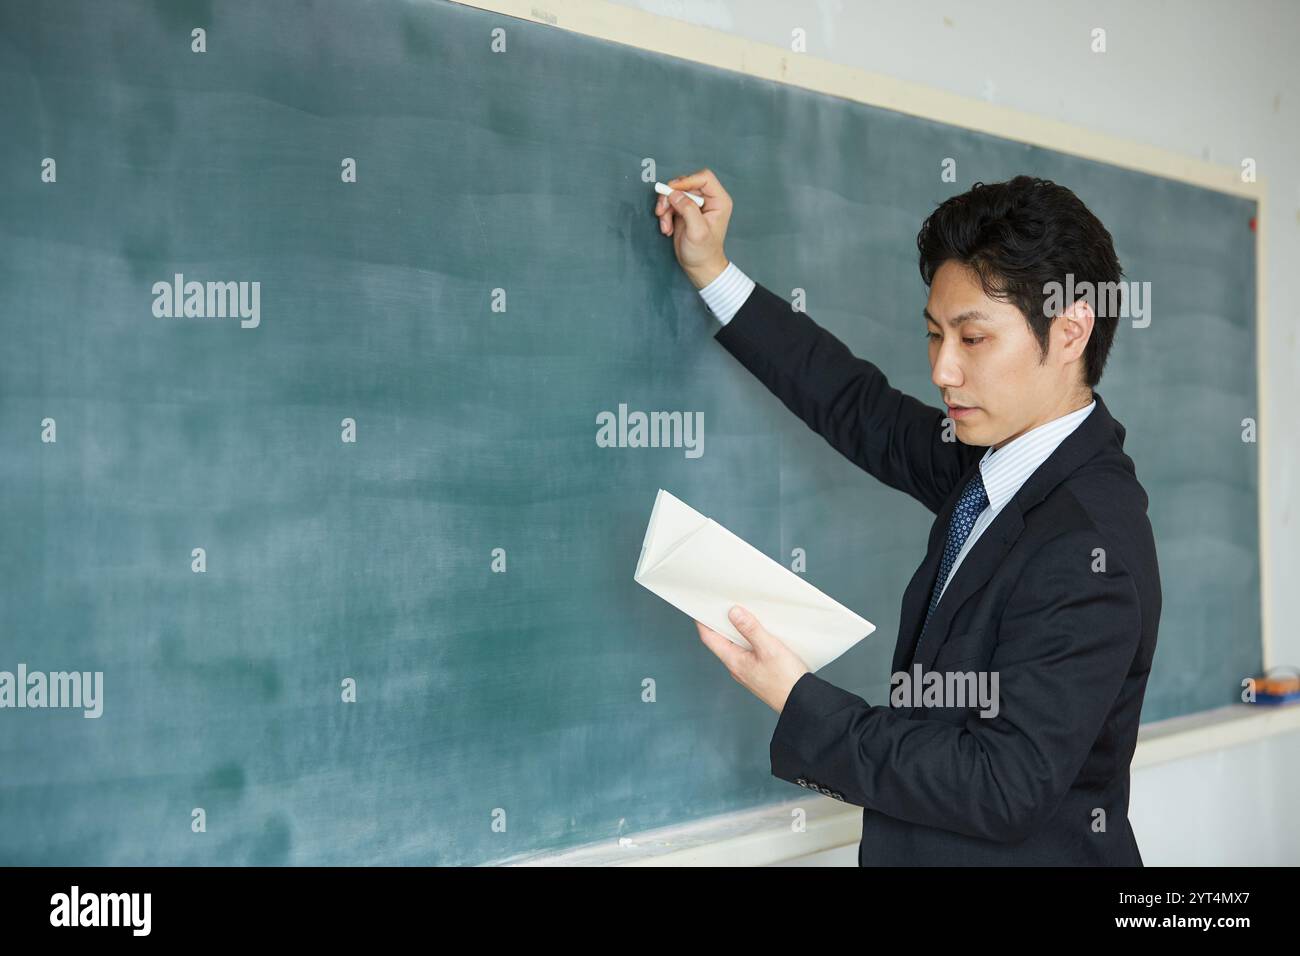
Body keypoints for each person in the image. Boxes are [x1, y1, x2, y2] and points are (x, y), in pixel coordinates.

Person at [653, 170, 1161, 866]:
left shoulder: (1085, 542)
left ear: (1071, 330)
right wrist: (712, 270)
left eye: (973, 339)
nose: (943, 370)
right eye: (933, 335)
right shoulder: (996, 463)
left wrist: (800, 700)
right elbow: (857, 406)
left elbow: (1002, 784)